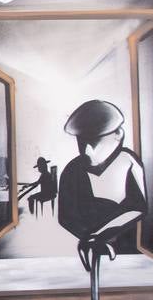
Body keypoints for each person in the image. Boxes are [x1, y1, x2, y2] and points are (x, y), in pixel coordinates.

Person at [57, 100, 147, 271]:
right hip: (89, 251)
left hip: (126, 256)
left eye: (95, 142)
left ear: (118, 135)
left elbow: (139, 207)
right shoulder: (72, 170)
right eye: (82, 142)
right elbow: (66, 217)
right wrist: (87, 237)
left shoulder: (128, 162)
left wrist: (100, 235)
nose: (87, 151)